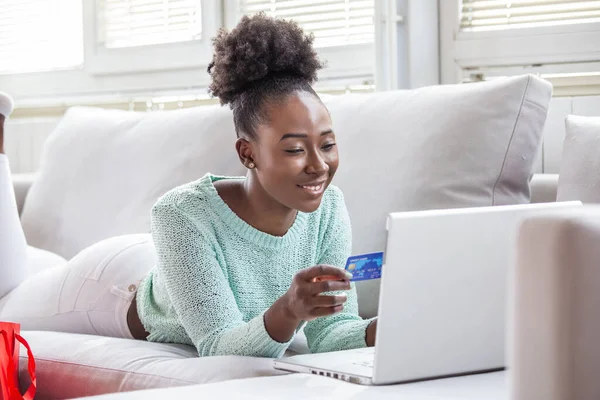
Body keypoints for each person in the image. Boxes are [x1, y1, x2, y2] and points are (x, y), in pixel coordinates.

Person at [0, 14, 377, 357]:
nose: (318, 166)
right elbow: (218, 345)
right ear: (248, 154)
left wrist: (390, 329)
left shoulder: (328, 208)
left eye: (327, 144)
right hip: (107, 288)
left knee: (29, 268)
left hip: (167, 264)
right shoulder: (180, 212)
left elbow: (333, 332)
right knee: (6, 301)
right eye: (295, 148)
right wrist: (288, 310)